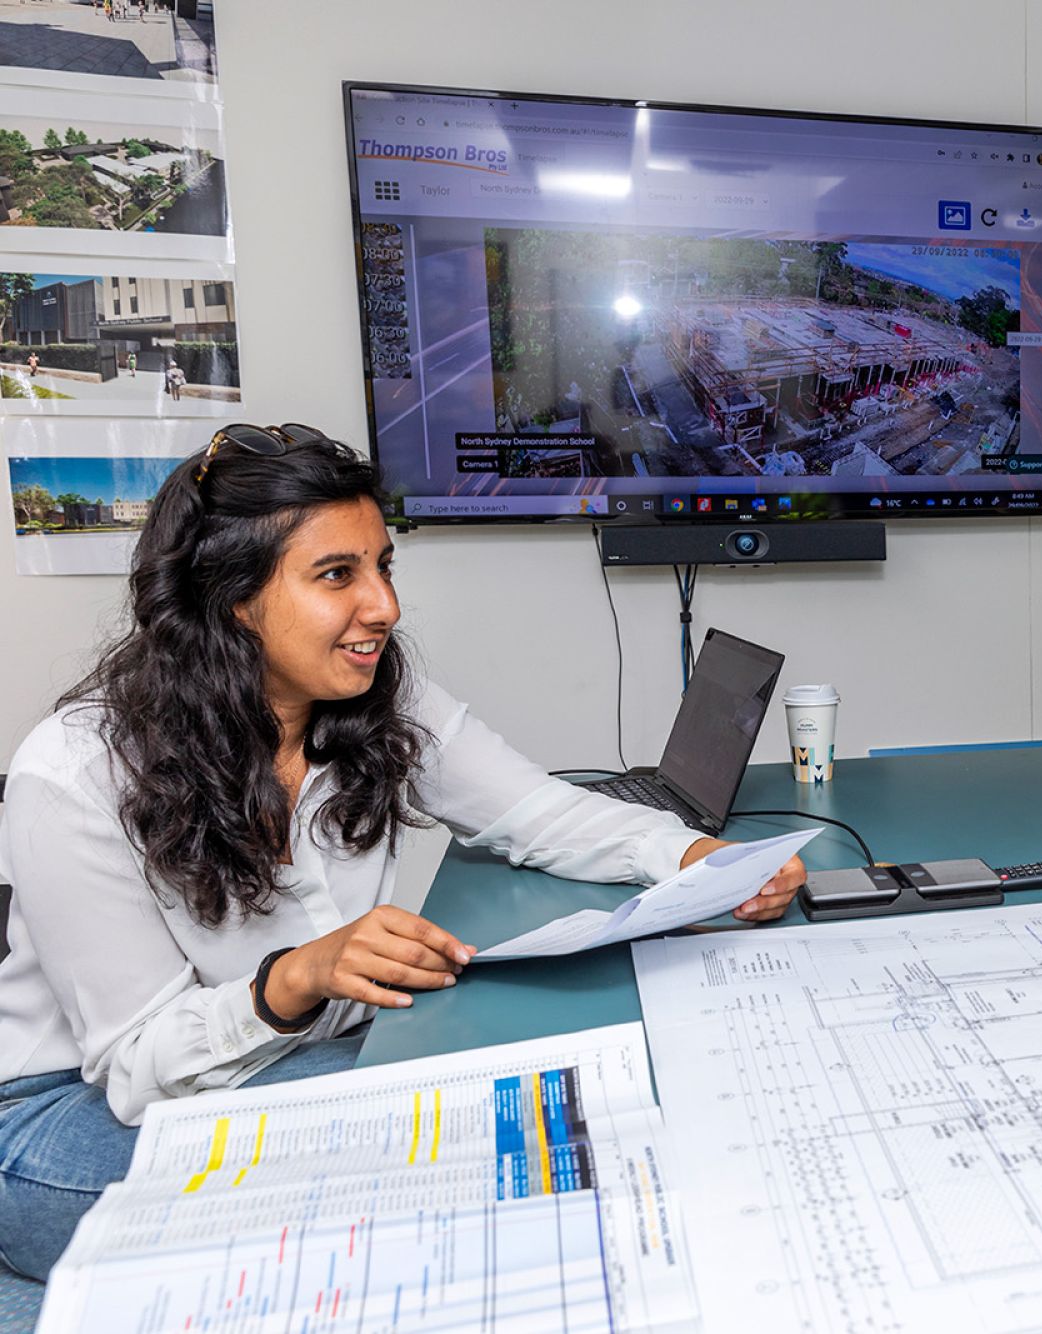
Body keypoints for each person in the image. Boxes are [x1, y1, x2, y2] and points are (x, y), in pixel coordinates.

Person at [0, 425, 805, 1280]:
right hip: (75, 1123)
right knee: (479, 1150)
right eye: (337, 575)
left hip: (314, 1057)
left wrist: (692, 857)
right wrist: (296, 977)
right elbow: (136, 1069)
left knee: (530, 1103)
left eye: (383, 566)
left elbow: (539, 812)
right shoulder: (77, 771)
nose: (382, 606)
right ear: (231, 597)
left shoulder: (377, 689)